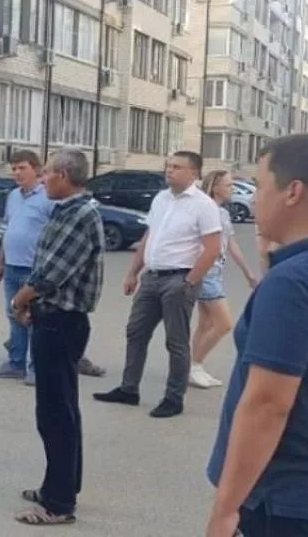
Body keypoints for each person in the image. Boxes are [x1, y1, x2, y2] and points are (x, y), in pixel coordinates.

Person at [205, 134, 308, 537]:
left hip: (284, 499)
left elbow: (269, 404)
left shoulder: (293, 282)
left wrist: (225, 510)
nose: (254, 199)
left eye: (261, 185)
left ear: (293, 192)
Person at [9, 149, 105, 527]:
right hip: (52, 318)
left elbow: (51, 273)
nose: (42, 178)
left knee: (56, 413)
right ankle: (59, 486)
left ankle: (59, 503)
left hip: (61, 322)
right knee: (58, 410)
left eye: (47, 172)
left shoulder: (81, 214)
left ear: (64, 175)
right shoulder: (65, 210)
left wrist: (20, 300)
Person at [94, 151, 222, 418]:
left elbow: (212, 249)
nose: (169, 171)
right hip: (152, 277)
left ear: (193, 173)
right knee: (136, 331)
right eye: (168, 166)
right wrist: (133, 272)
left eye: (176, 167)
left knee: (176, 341)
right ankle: (129, 389)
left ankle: (173, 398)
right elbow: (149, 237)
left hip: (179, 279)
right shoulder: (161, 199)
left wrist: (190, 281)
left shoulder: (204, 205)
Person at [0, 150, 106, 385]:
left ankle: (35, 368)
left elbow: (52, 273)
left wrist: (19, 301)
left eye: (23, 168)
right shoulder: (17, 197)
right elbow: (9, 230)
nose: (17, 173)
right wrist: (1, 262)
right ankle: (16, 362)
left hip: (50, 296)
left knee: (56, 390)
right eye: (14, 168)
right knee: (17, 319)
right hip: (18, 270)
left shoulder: (67, 208)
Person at [189, 171, 259, 389]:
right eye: (228, 185)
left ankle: (194, 366)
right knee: (224, 324)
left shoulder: (222, 213)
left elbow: (231, 244)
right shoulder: (206, 210)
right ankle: (194, 366)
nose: (232, 189)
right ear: (215, 187)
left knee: (206, 323)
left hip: (214, 272)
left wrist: (248, 272)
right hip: (207, 273)